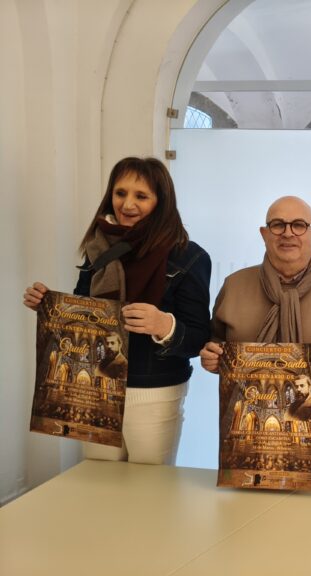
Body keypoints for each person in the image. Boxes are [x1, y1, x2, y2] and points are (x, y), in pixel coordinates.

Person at [23, 156, 211, 465]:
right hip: (94, 384)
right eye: (120, 193)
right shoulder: (98, 248)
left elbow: (198, 338)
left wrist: (165, 325)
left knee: (149, 490)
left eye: (141, 196)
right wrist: (48, 307)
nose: (127, 204)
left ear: (161, 202)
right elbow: (83, 314)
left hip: (153, 391)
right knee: (99, 484)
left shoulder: (188, 255)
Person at [199, 196, 311, 476]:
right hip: (247, 437)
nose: (288, 233)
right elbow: (216, 344)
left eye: (299, 225)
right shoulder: (234, 286)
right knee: (244, 518)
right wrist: (211, 357)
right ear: (264, 234)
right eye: (278, 225)